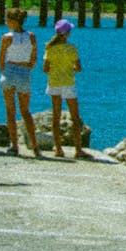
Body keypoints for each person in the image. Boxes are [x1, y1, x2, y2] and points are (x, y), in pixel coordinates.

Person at [43, 19, 87, 158]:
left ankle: (58, 149)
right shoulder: (72, 48)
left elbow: (45, 68)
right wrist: (70, 67)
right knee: (75, 117)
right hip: (68, 83)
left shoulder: (50, 48)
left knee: (56, 117)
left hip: (54, 83)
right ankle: (78, 150)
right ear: (67, 33)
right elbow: (78, 68)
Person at [0, 7, 40, 157]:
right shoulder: (31, 36)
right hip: (24, 71)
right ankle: (35, 146)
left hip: (10, 70)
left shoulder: (6, 37)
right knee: (25, 111)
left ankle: (14, 146)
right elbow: (34, 58)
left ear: (12, 21)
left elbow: (1, 59)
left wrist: (4, 72)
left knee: (10, 111)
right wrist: (27, 68)